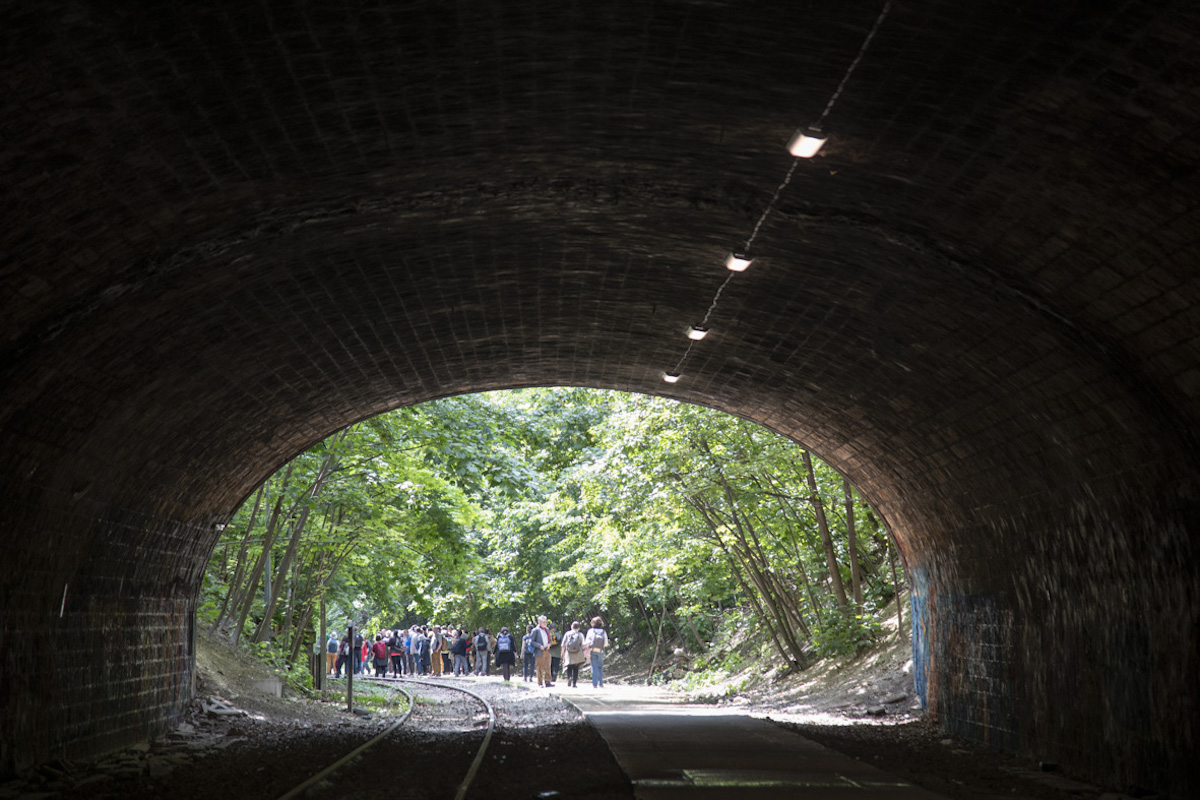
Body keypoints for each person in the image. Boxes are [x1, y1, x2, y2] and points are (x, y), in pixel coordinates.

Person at [585, 616, 609, 688]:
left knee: (594, 667)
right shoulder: (603, 632)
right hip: (601, 651)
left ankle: (595, 684)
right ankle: (600, 683)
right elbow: (606, 643)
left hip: (593, 650)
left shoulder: (590, 631)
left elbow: (587, 642)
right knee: (600, 667)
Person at [560, 621, 586, 688]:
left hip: (569, 653)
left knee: (569, 666)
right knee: (576, 668)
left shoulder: (567, 634)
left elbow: (563, 644)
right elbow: (583, 644)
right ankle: (574, 684)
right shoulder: (580, 634)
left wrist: (562, 653)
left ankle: (569, 677)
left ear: (572, 627)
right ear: (579, 628)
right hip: (578, 652)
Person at [532, 615, 552, 687]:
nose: (545, 623)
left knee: (548, 666)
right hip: (539, 651)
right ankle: (540, 682)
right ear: (539, 622)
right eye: (544, 622)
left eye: (546, 622)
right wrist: (539, 646)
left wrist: (549, 644)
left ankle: (547, 681)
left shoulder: (547, 629)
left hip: (547, 650)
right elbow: (532, 641)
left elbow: (550, 640)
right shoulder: (535, 630)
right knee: (539, 667)